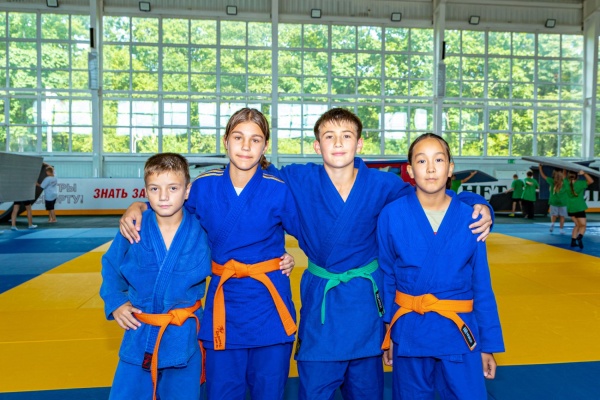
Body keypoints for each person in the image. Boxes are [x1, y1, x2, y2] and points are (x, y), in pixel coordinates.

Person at [264, 108, 493, 400]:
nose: (338, 143)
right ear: (317, 145)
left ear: (359, 144)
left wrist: (477, 203)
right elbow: (259, 191)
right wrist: (274, 251)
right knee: (314, 388)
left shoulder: (382, 184)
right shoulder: (298, 178)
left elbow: (431, 195)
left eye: (346, 136)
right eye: (329, 136)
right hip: (322, 303)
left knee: (367, 389)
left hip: (366, 305)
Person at [120, 108, 300, 400]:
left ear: (265, 145)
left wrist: (288, 256)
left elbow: (311, 236)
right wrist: (139, 206)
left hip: (269, 305)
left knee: (269, 391)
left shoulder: (279, 190)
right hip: (223, 307)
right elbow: (169, 207)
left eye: (255, 140)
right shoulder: (204, 186)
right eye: (238, 137)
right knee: (221, 392)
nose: (246, 146)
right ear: (225, 141)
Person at [377, 133, 504, 399]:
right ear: (410, 170)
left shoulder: (472, 217)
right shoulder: (392, 214)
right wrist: (389, 332)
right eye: (422, 161)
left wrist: (487, 345)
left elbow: (481, 285)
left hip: (458, 330)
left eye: (438, 160)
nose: (431, 168)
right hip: (410, 328)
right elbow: (387, 276)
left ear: (450, 168)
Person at [100, 153, 212, 400]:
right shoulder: (134, 227)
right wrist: (116, 302)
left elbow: (230, 258)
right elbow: (111, 266)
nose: (163, 196)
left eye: (173, 188)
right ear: (145, 192)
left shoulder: (202, 230)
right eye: (154, 189)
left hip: (184, 335)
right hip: (139, 332)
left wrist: (280, 257)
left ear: (187, 191)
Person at [566, 170, 594, 249]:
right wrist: (584, 173)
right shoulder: (580, 183)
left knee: (577, 225)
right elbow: (591, 181)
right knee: (583, 225)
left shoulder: (565, 183)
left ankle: (573, 241)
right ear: (577, 177)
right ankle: (580, 237)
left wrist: (565, 169)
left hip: (570, 208)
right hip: (579, 208)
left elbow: (564, 175)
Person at [538, 165, 568, 234]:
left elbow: (543, 176)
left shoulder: (552, 181)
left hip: (553, 201)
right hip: (563, 202)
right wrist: (565, 168)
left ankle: (552, 224)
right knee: (562, 216)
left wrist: (540, 168)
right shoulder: (565, 181)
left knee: (554, 215)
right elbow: (564, 175)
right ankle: (561, 230)